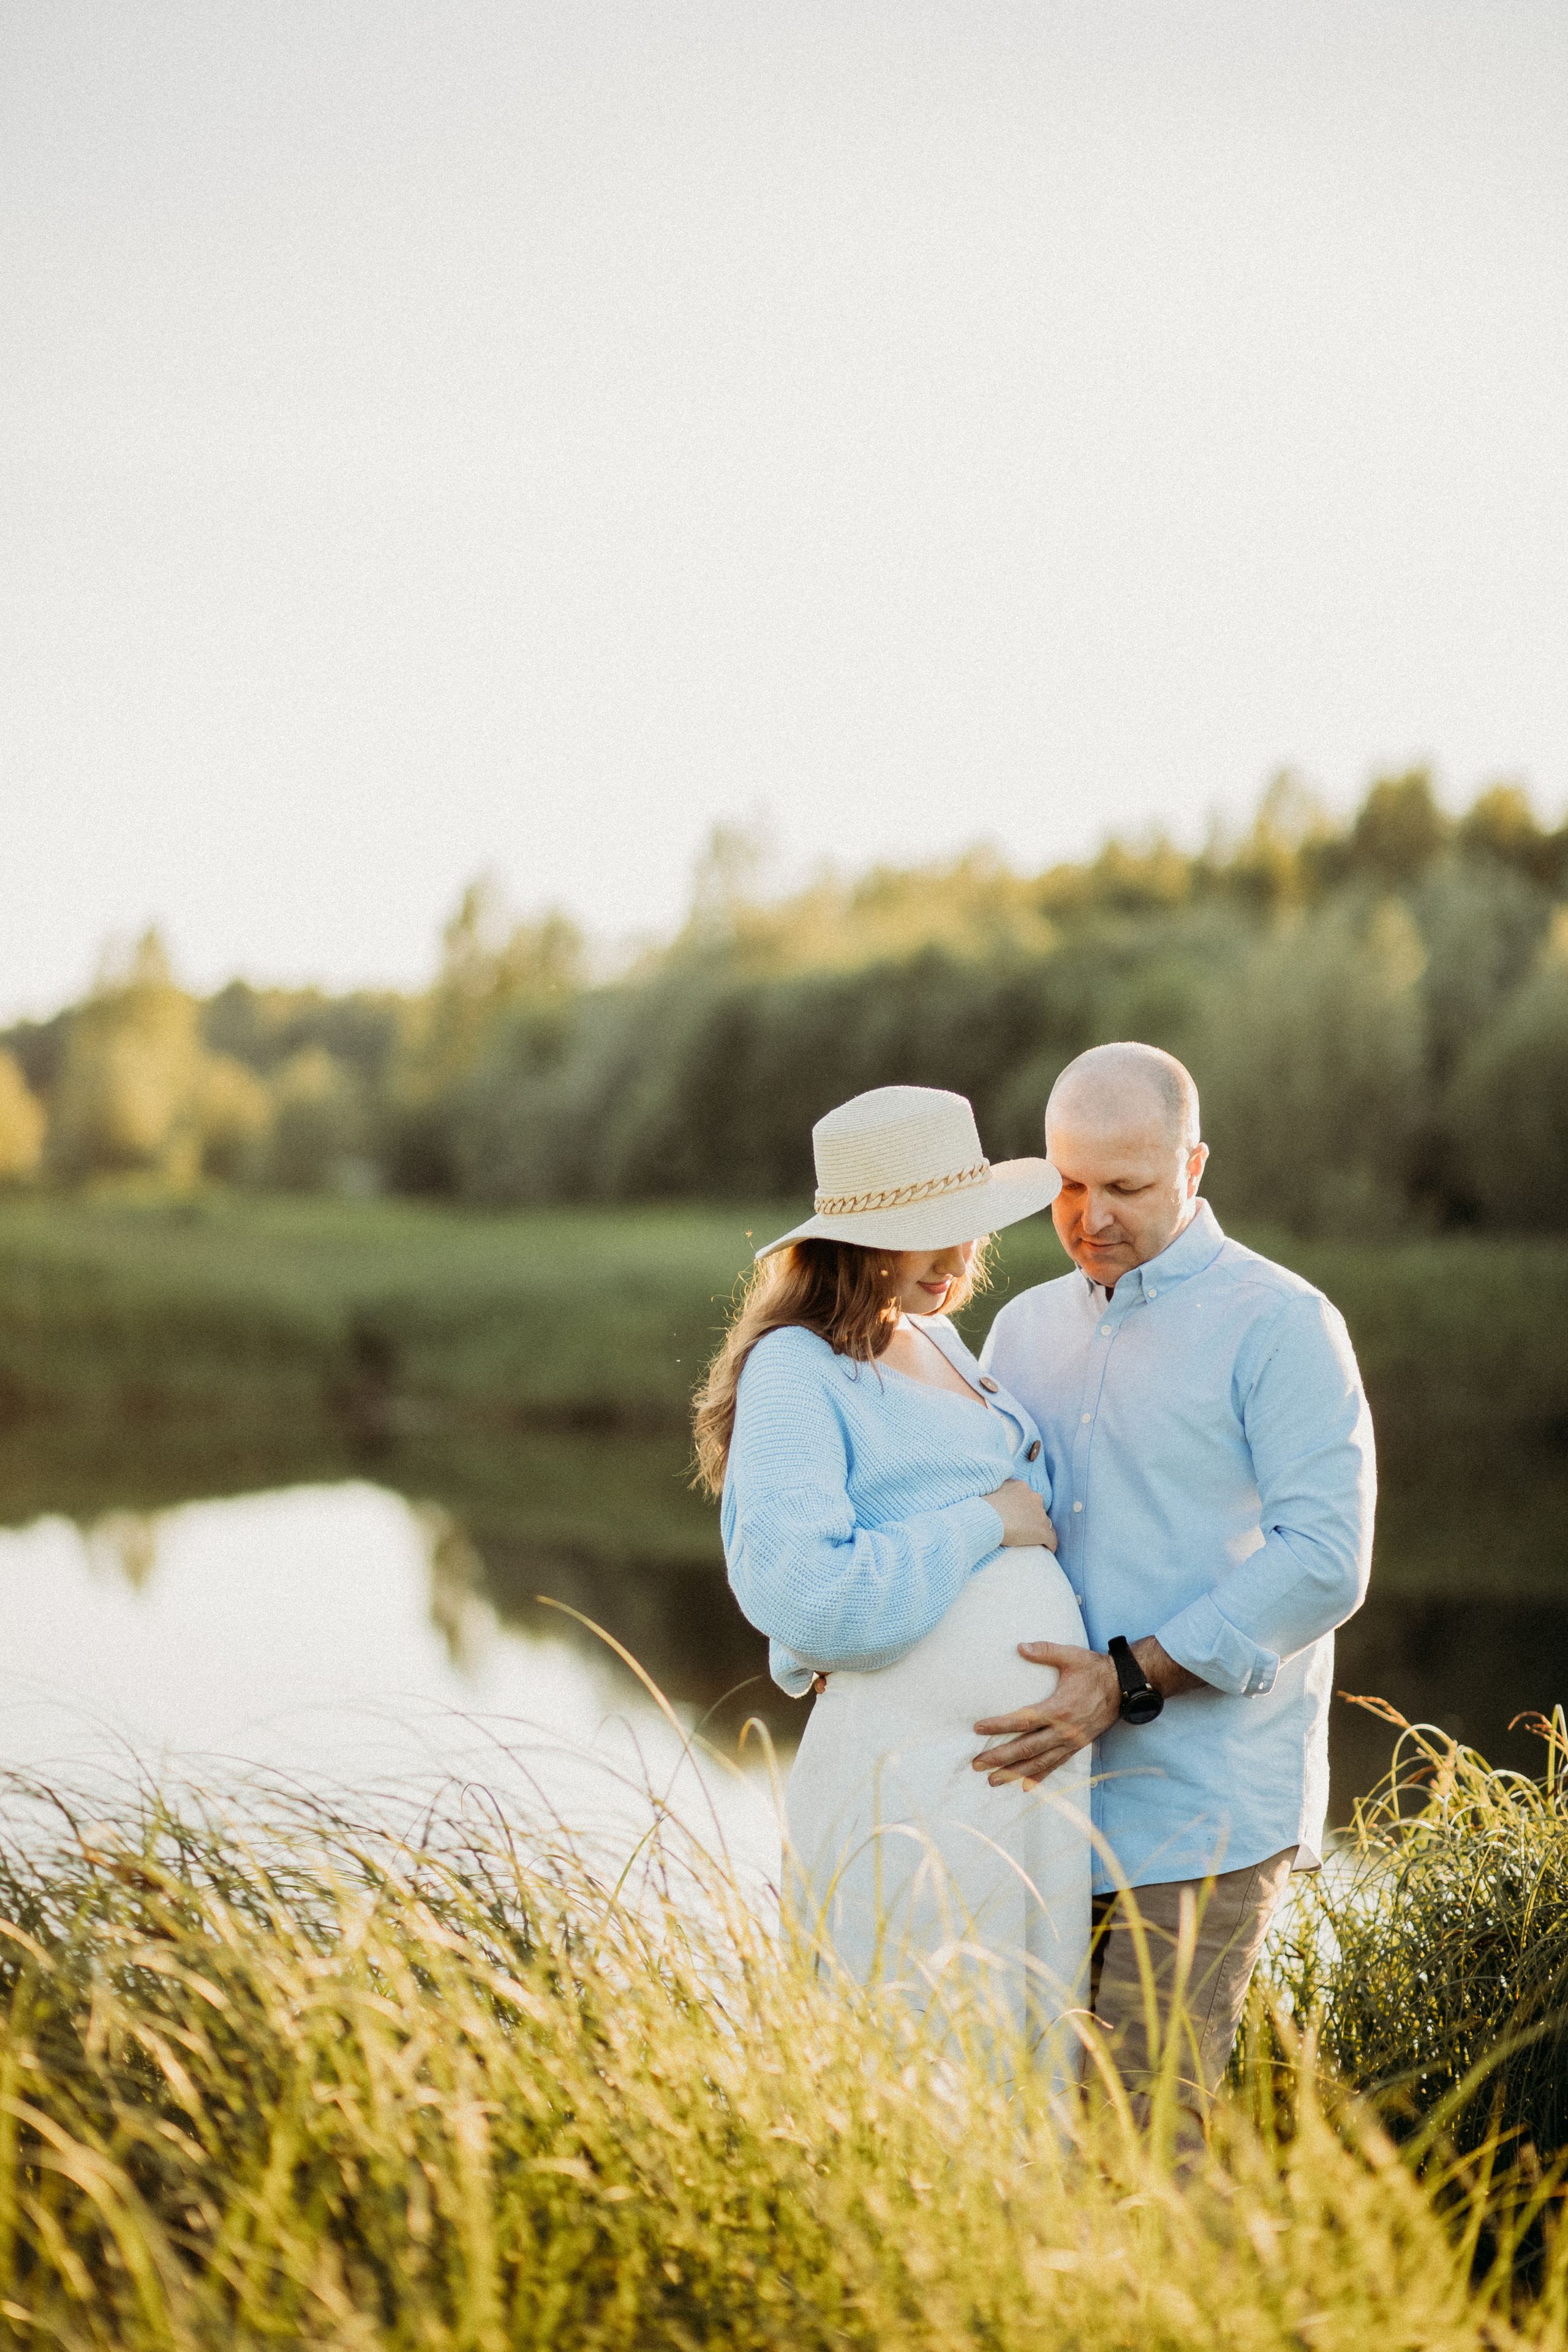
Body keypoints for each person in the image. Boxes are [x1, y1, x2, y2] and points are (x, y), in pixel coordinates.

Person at [975, 1041, 1376, 2143]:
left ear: (1193, 1166)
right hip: (1043, 1804)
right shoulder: (1021, 1330)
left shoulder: (1283, 1323)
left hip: (1203, 1808)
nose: (1089, 1215)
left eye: (1126, 1186)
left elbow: (1326, 1556)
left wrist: (1126, 1680)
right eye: (1066, 1183)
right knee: (1034, 2125)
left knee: (1144, 2136)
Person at [694, 1084, 1092, 2078]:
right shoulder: (797, 1366)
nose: (963, 1264)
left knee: (1026, 2067)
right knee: (927, 2064)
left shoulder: (940, 1342)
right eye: (932, 1239)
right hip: (911, 1784)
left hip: (1016, 1782)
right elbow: (809, 1597)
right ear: (859, 1240)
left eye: (969, 1234)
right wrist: (981, 1523)